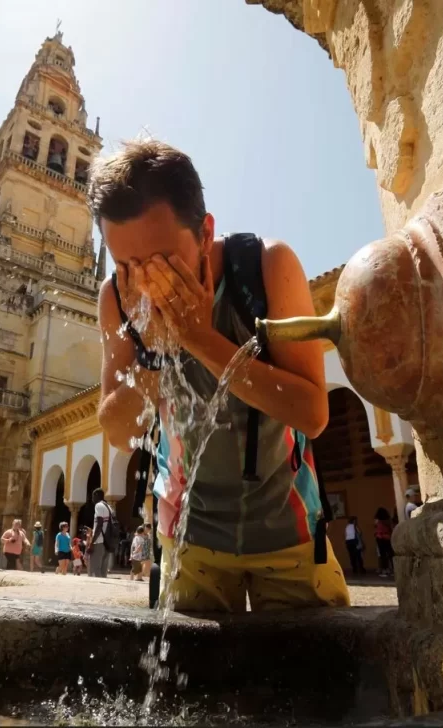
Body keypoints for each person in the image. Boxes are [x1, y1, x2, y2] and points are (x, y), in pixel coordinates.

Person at [92, 139, 350, 613]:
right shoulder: (117, 301)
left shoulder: (267, 267)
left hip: (290, 537)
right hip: (189, 543)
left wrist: (200, 339)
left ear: (205, 230)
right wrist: (155, 352)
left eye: (164, 259)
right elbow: (117, 430)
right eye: (127, 265)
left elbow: (311, 414)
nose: (147, 281)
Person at [87, 488, 111, 578]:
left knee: (94, 570)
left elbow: (99, 524)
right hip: (107, 543)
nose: (92, 499)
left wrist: (92, 543)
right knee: (102, 571)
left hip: (99, 541)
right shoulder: (108, 507)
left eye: (93, 496)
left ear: (96, 495)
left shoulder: (98, 505)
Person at [374, 507, 394, 578]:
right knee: (390, 554)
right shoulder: (388, 520)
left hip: (380, 538)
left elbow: (376, 528)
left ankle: (385, 570)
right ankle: (392, 570)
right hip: (388, 537)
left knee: (382, 555)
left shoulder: (377, 521)